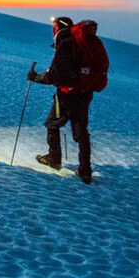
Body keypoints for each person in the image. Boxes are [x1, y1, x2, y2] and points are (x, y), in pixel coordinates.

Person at [27, 16, 94, 184]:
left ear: (59, 28)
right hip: (84, 93)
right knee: (81, 131)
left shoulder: (65, 44)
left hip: (67, 94)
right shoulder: (77, 43)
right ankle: (85, 169)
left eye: (54, 26)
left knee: (52, 124)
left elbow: (54, 75)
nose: (52, 30)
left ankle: (54, 159)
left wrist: (36, 77)